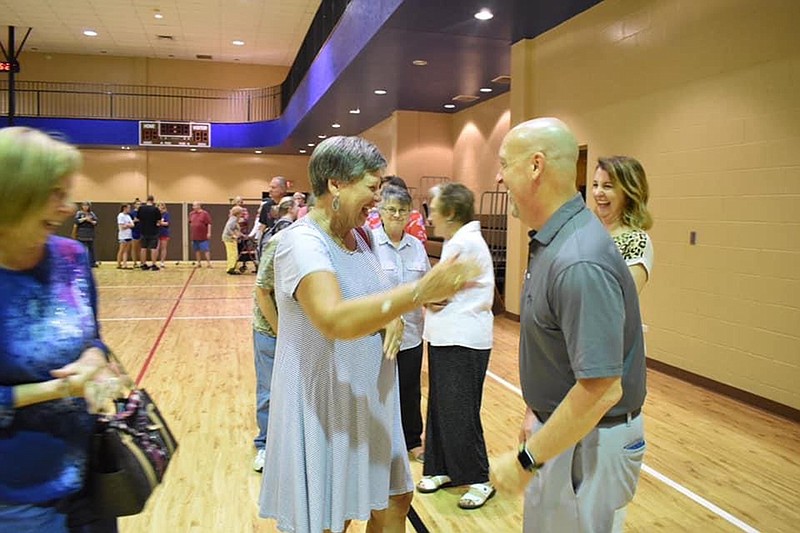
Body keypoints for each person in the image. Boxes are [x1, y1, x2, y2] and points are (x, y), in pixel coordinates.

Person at [258, 135, 481, 533]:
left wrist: (397, 312)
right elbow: (334, 320)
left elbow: (375, 294)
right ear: (336, 184)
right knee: (334, 518)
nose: (377, 198)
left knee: (395, 500)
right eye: (371, 187)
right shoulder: (301, 242)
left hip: (370, 397)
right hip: (325, 402)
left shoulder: (360, 236)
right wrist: (416, 293)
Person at [490, 118, 647, 533]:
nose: (498, 175)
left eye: (505, 163)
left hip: (588, 441)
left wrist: (526, 460)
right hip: (563, 433)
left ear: (536, 166)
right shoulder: (555, 240)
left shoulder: (578, 260)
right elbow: (558, 348)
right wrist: (534, 410)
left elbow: (601, 389)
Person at [0, 126, 118, 532]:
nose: (68, 208)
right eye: (55, 193)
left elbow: (94, 339)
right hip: (17, 497)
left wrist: (93, 359)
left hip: (91, 477)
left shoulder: (71, 256)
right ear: (14, 197)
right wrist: (58, 389)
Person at [416, 182, 496, 510]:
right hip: (446, 336)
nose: (429, 215)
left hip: (463, 339)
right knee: (440, 406)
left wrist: (425, 295)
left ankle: (479, 479)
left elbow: (437, 292)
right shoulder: (456, 241)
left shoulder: (465, 244)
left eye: (433, 209)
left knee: (460, 411)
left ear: (450, 212)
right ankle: (440, 467)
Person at [372, 184, 431, 464]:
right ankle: (379, 441)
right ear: (381, 212)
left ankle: (411, 440)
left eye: (402, 210)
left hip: (411, 334)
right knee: (379, 389)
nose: (396, 215)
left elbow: (427, 286)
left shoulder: (417, 247)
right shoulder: (369, 244)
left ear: (410, 214)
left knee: (409, 389)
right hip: (378, 335)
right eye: (391, 210)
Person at [251, 195, 299, 473]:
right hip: (271, 329)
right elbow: (262, 290)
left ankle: (290, 442)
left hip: (298, 330)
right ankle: (265, 444)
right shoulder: (280, 241)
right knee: (270, 390)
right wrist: (281, 333)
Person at [592, 156, 654, 293]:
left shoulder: (636, 242)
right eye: (595, 185)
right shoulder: (588, 232)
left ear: (628, 193)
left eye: (607, 186)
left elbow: (621, 299)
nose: (597, 193)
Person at [366, 176, 427, 243]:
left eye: (388, 192)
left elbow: (419, 243)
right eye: (381, 192)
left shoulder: (414, 216)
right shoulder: (370, 215)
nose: (380, 196)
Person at [137, 195, 161, 271]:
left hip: (143, 231)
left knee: (143, 248)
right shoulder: (155, 209)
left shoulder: (141, 208)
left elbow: (138, 219)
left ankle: (143, 264)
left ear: (146, 200)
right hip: (153, 231)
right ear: (153, 201)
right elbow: (159, 221)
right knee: (153, 248)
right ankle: (153, 264)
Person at [73, 201, 98, 267]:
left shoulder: (91, 214)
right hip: (81, 233)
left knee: (91, 249)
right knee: (81, 248)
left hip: (90, 233)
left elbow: (96, 222)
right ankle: (80, 262)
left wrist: (91, 221)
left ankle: (92, 263)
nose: (85, 207)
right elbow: (76, 221)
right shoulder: (79, 213)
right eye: (84, 205)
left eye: (87, 205)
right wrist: (84, 219)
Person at [189, 201, 212, 268]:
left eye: (195, 206)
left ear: (199, 206)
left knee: (206, 249)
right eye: (193, 206)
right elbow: (190, 222)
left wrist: (209, 232)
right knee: (197, 249)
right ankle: (198, 263)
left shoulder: (205, 214)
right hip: (195, 235)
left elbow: (209, 224)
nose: (193, 207)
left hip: (203, 235)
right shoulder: (191, 214)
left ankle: (208, 263)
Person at [222, 206, 244, 275]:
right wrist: (233, 236)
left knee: (232, 253)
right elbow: (229, 228)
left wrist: (241, 235)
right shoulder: (233, 220)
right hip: (229, 238)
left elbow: (235, 229)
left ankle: (231, 267)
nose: (242, 214)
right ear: (238, 213)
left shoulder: (234, 219)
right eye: (241, 213)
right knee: (233, 253)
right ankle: (231, 268)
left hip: (228, 238)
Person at [116, 204, 134, 269]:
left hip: (128, 235)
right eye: (128, 208)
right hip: (123, 236)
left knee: (126, 250)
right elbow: (122, 227)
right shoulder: (121, 216)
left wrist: (127, 225)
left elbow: (132, 225)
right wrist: (128, 225)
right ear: (124, 208)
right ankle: (118, 264)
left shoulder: (128, 216)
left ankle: (125, 264)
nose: (129, 209)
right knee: (121, 250)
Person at [156, 202, 171, 268]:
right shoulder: (155, 214)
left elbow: (167, 223)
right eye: (159, 206)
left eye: (162, 206)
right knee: (156, 247)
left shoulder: (166, 214)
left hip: (164, 232)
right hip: (156, 233)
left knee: (163, 248)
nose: (160, 207)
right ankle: (154, 262)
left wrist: (160, 223)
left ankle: (162, 262)